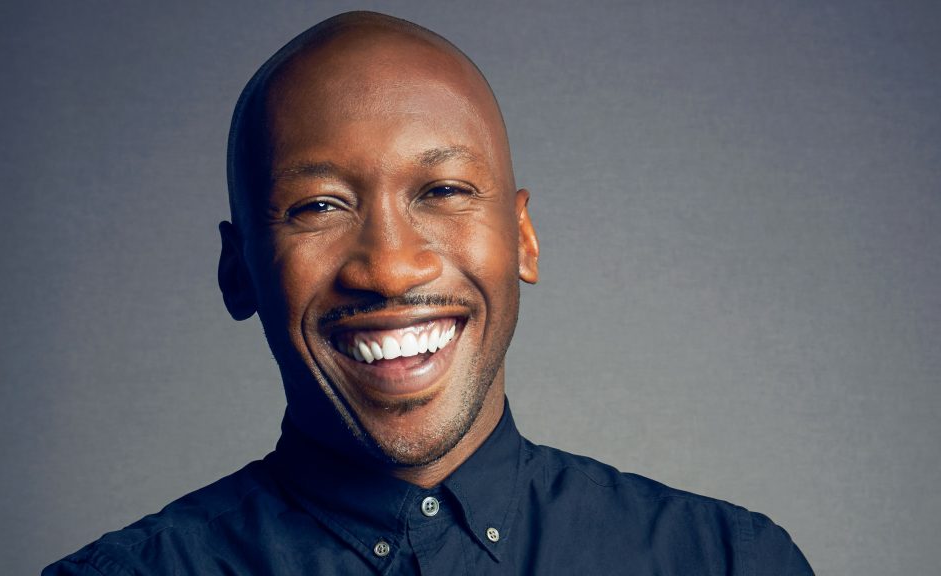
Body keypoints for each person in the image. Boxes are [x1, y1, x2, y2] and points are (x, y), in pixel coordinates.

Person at [44, 11, 813, 575]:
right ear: (238, 270)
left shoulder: (726, 563)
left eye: (443, 190)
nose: (390, 267)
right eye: (318, 206)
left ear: (523, 239)